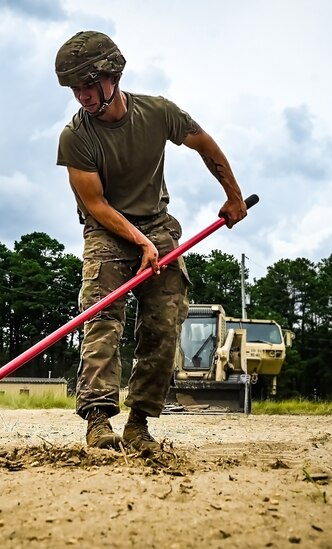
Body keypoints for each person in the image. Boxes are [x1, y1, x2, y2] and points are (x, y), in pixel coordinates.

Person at [55, 31, 248, 453]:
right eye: (75, 89)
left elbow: (204, 142)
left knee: (164, 323)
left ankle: (139, 423)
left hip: (158, 223)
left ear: (113, 76)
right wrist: (140, 242)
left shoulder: (158, 112)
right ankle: (99, 421)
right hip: (105, 230)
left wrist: (233, 195)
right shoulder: (75, 136)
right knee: (102, 319)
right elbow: (96, 204)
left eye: (89, 85)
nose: (83, 96)